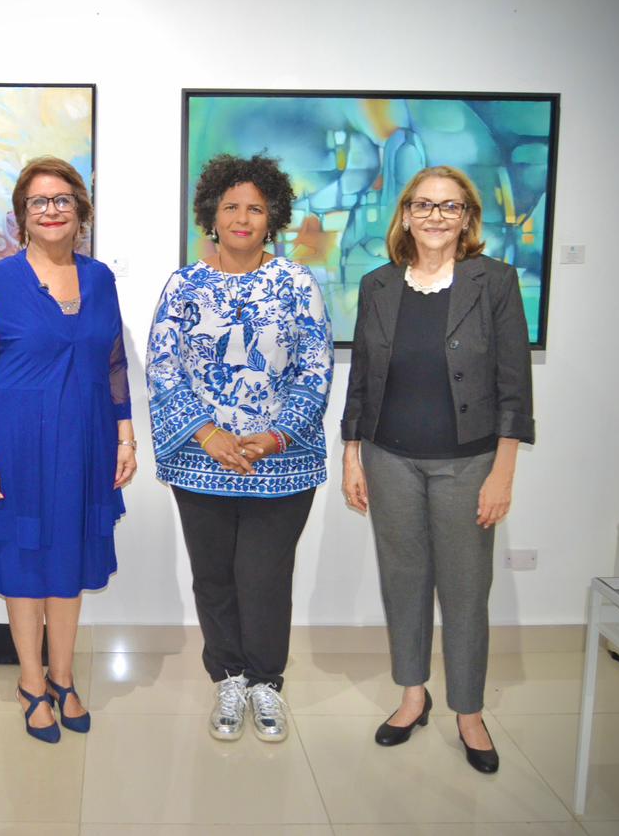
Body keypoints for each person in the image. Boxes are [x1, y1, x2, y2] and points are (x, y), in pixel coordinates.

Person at [341, 165, 535, 774]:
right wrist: (351, 454)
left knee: (465, 591)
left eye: (449, 206)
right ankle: (412, 696)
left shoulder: (494, 282)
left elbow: (513, 385)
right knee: (402, 581)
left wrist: (503, 472)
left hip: (468, 463)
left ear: (467, 218)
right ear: (405, 215)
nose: (435, 216)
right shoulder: (377, 285)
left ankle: (469, 712)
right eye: (423, 205)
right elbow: (361, 378)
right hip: (388, 458)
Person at [146, 153, 332, 743]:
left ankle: (266, 682)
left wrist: (275, 436)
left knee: (265, 577)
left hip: (280, 464)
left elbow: (315, 368)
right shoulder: (183, 286)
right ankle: (228, 677)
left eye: (255, 208)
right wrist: (209, 435)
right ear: (212, 215)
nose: (242, 218)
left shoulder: (298, 283)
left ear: (272, 217)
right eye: (231, 207)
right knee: (214, 578)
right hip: (200, 462)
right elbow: (162, 367)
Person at [0, 156, 136, 743]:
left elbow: (114, 364)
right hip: (16, 445)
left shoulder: (101, 279)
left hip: (86, 441)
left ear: (81, 211)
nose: (52, 210)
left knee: (70, 560)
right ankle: (31, 683)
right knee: (24, 563)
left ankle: (63, 676)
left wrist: (126, 436)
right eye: (39, 201)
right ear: (22, 215)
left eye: (63, 200)